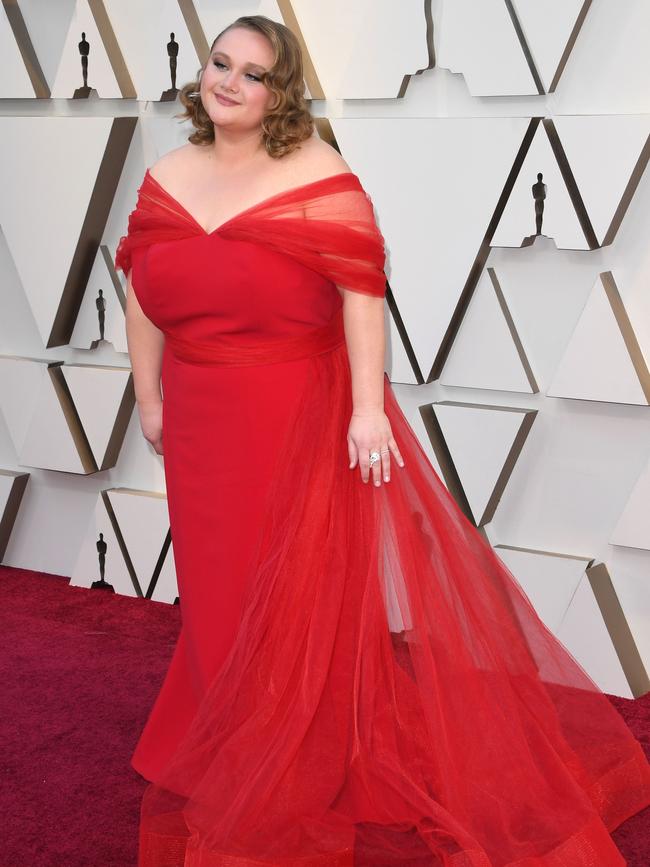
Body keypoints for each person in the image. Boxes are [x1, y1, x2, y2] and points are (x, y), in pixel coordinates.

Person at [115, 15, 650, 867]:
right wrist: (148, 398)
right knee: (218, 593)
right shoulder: (165, 175)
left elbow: (362, 291)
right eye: (221, 63)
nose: (228, 82)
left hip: (294, 411)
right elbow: (142, 290)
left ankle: (303, 755)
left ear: (279, 94)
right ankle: (233, 736)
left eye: (253, 74)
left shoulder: (320, 173)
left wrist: (369, 409)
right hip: (199, 413)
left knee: (292, 592)